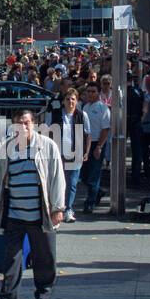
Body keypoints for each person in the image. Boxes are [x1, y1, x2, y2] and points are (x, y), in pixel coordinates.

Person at [0, 110, 65, 299]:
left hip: (40, 214)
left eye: (28, 123)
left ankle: (43, 294)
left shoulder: (47, 146)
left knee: (44, 258)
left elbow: (57, 177)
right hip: (14, 214)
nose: (24, 127)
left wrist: (58, 207)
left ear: (34, 124)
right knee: (12, 260)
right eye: (19, 123)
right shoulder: (7, 150)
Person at [53, 87, 88, 223]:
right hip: (59, 154)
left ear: (77, 101)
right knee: (59, 182)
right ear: (63, 101)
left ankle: (68, 209)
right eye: (67, 99)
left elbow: (87, 135)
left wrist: (86, 151)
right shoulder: (55, 114)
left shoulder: (81, 115)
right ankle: (57, 208)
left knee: (72, 183)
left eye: (73, 99)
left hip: (76, 153)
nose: (70, 102)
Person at [80, 83, 111, 214]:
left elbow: (105, 129)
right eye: (88, 91)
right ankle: (99, 192)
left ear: (98, 93)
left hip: (97, 143)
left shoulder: (103, 109)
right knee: (84, 175)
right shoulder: (85, 107)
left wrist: (99, 146)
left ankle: (90, 203)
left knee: (94, 175)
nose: (90, 94)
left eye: (93, 91)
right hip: (85, 144)